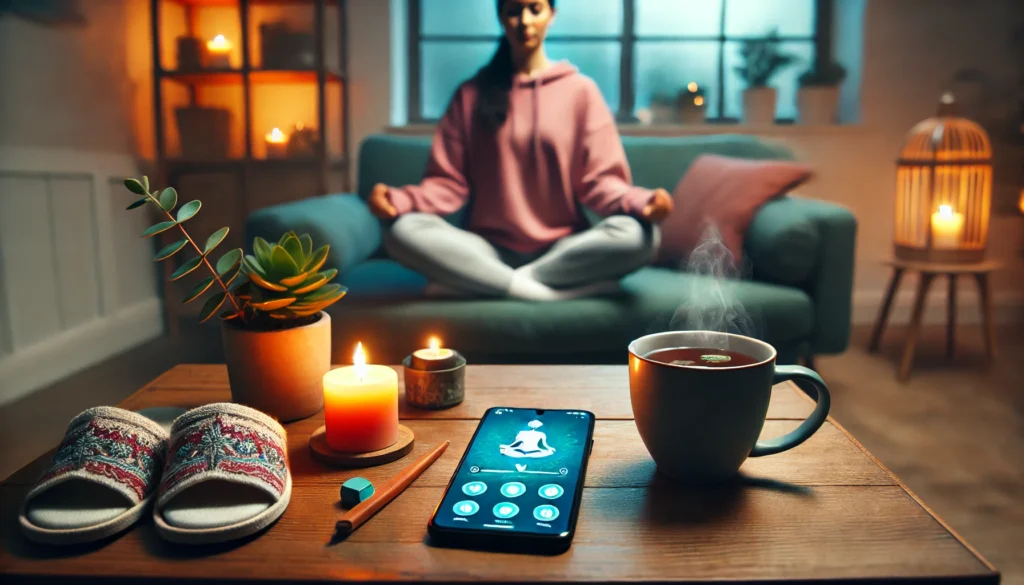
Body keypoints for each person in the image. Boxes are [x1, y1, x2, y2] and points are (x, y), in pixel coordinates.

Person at [369, 0, 674, 301]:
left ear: (551, 15)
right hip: (484, 249)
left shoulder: (582, 92)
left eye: (534, 9)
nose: (524, 20)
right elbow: (447, 184)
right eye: (513, 11)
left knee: (640, 237)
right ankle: (539, 291)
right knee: (400, 230)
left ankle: (489, 284)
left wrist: (642, 203)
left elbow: (599, 183)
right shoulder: (470, 94)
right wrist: (399, 201)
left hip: (562, 249)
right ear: (501, 18)